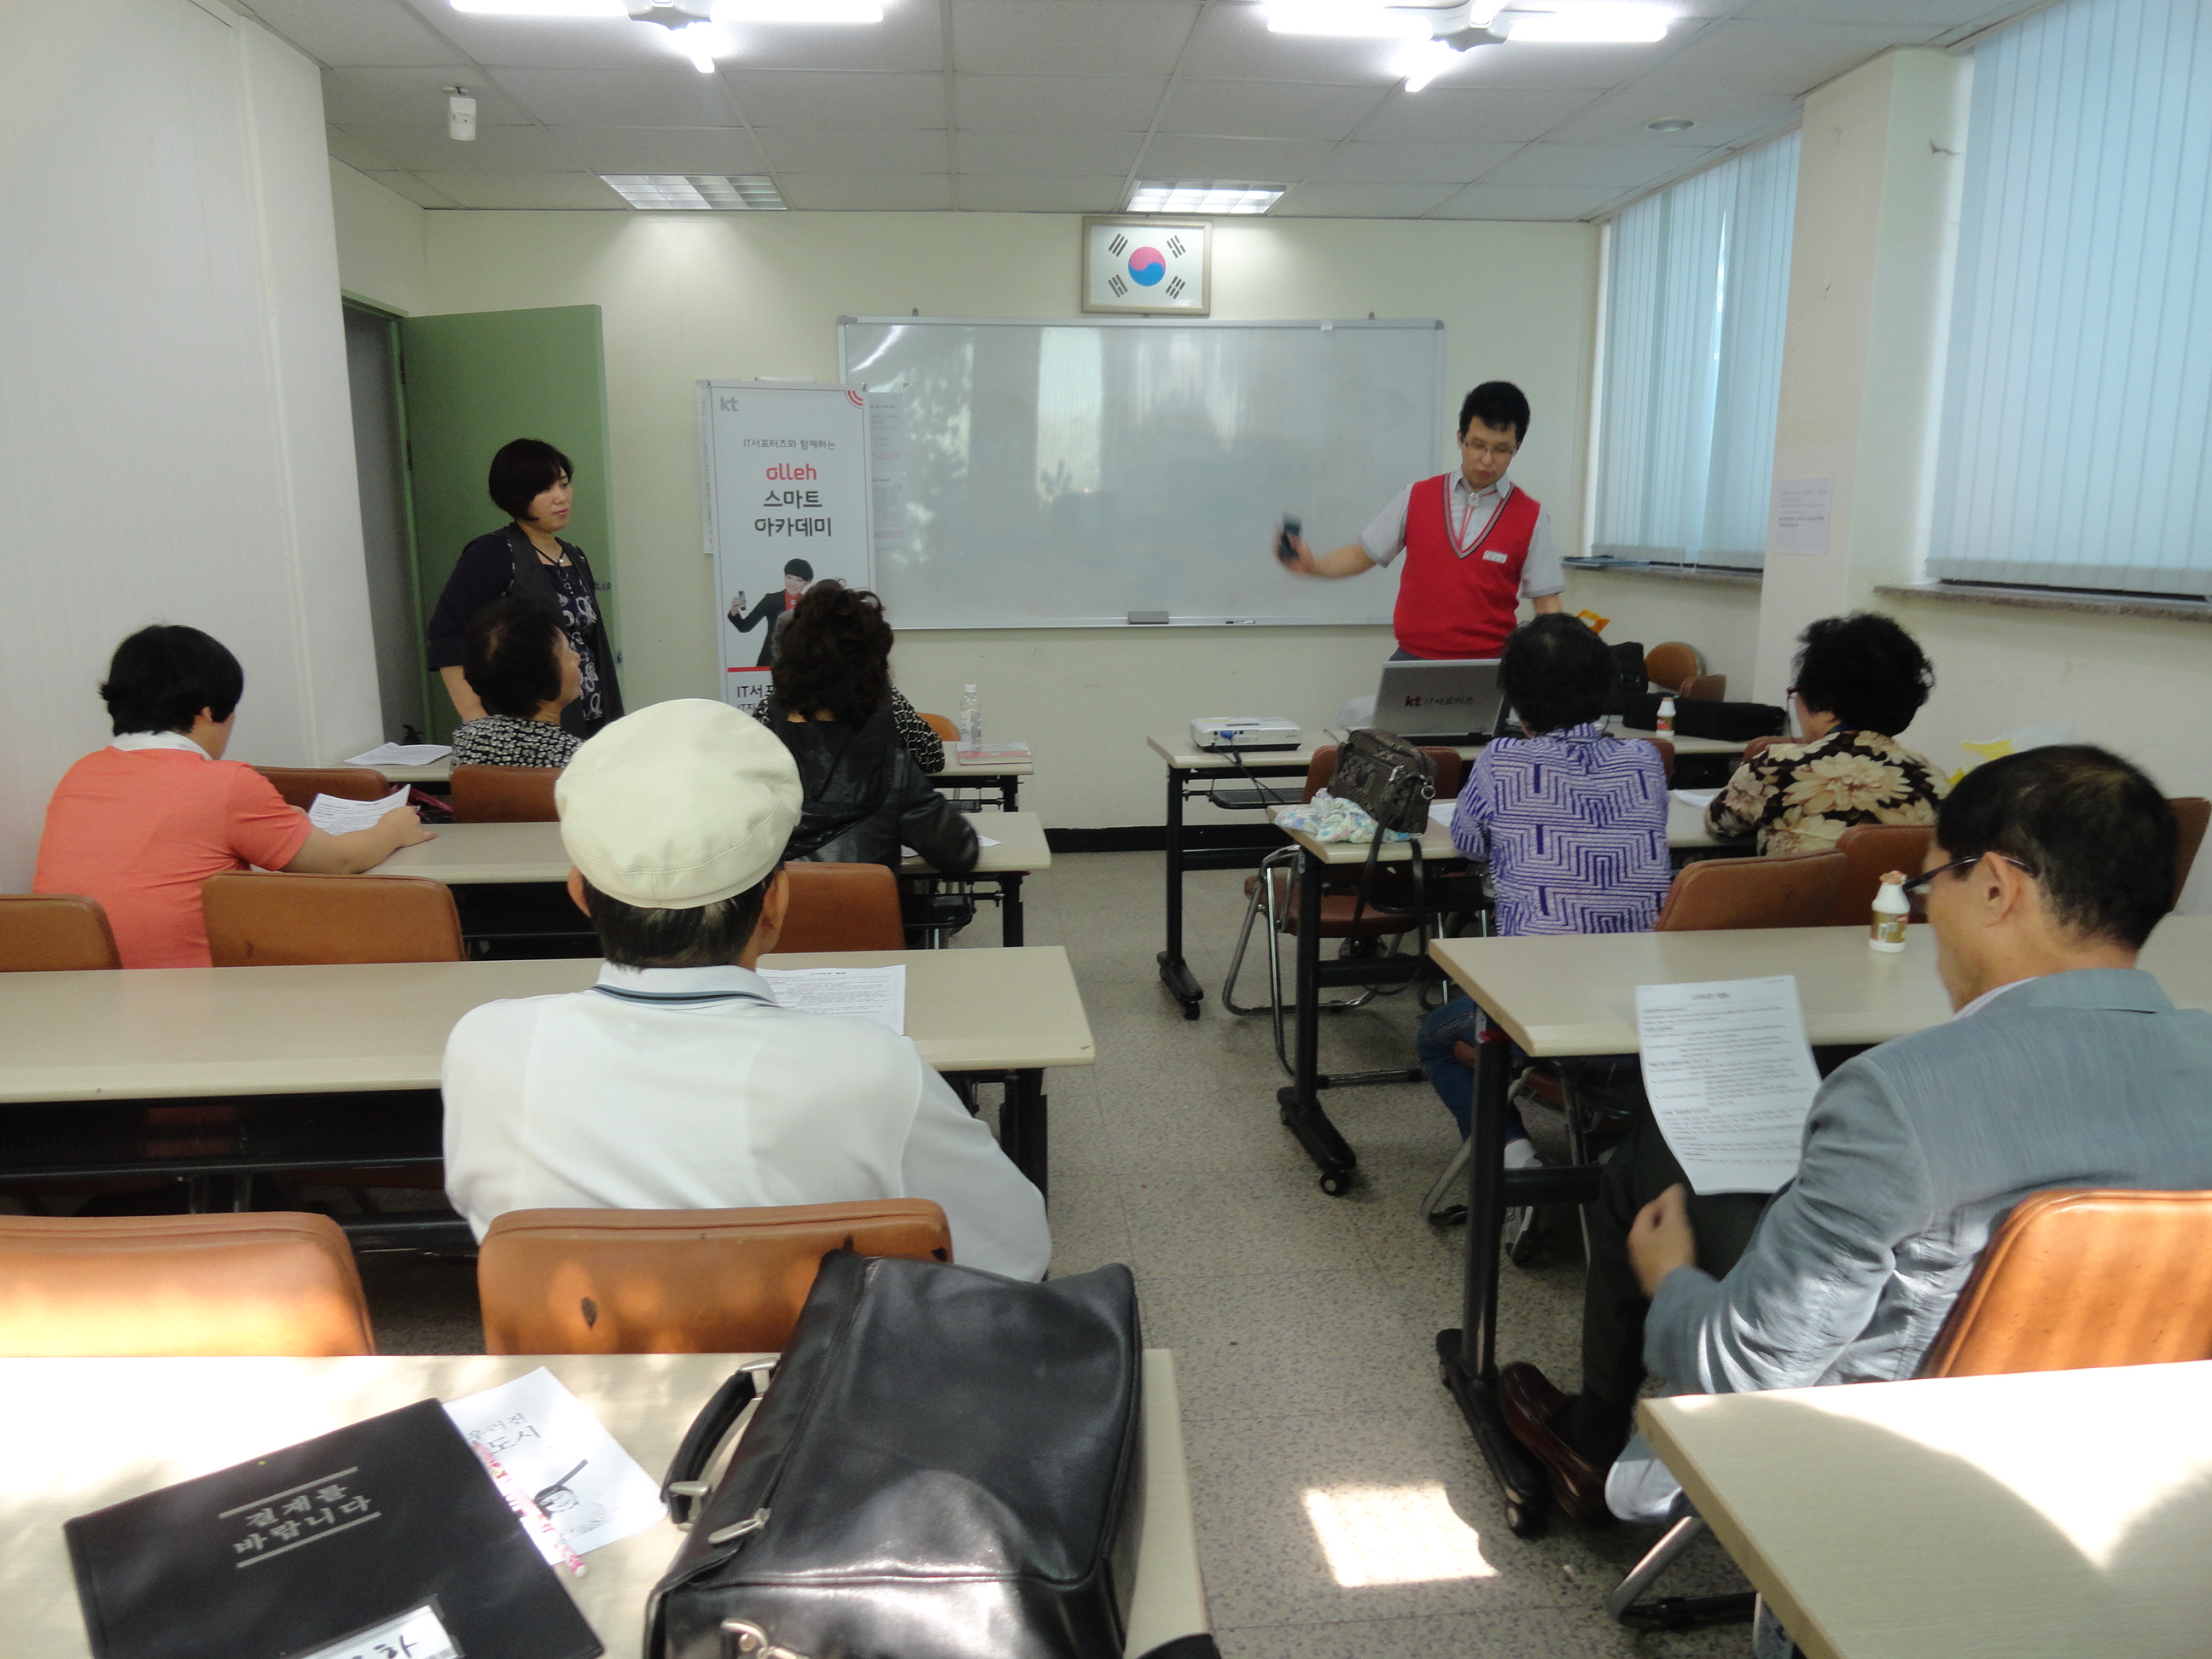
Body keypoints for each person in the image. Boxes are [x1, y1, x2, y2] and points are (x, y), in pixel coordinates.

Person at [1499, 745, 2212, 1527]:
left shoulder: (1898, 1093)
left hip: (1882, 1457)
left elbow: (1748, 1370)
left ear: (1996, 888)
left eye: (1930, 884)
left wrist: (1668, 1278)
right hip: (2129, 1455)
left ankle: (1596, 1440)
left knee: (1652, 1159)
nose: (1924, 914)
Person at [439, 698, 1049, 1278]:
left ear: (579, 893)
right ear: (776, 902)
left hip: (580, 1351)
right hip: (813, 1353)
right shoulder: (874, 1071)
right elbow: (1016, 1251)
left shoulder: (485, 1049)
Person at [1416, 614, 1671, 1168]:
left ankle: (1515, 1161)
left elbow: (1468, 843)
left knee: (1436, 1038)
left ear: (1515, 697)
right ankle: (1609, 1153)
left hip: (1541, 1003)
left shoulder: (1501, 760)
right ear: (1605, 688)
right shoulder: (1644, 759)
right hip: (1646, 1008)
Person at [34, 625, 435, 968]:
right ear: (208, 712)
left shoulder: (80, 774)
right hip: (198, 994)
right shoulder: (225, 783)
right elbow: (340, 861)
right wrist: (392, 829)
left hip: (81, 996)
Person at [1278, 381, 1563, 660]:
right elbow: (1361, 555)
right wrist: (1313, 565)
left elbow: (1547, 602)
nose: (1487, 460)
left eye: (1501, 449)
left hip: (1491, 666)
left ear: (1517, 448)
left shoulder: (1532, 516)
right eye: (1478, 445)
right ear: (1460, 438)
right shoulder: (1416, 496)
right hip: (1413, 659)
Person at [761, 585, 977, 874]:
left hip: (776, 904)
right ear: (873, 676)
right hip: (868, 904)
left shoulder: (751, 761)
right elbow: (961, 853)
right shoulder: (892, 771)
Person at [426, 438, 623, 741]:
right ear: (516, 497)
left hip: (589, 713)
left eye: (564, 484)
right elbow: (447, 634)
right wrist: (474, 715)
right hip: (524, 725)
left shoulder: (575, 555)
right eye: (544, 490)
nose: (561, 498)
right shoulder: (494, 552)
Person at [1706, 611, 1944, 854]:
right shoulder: (1934, 781)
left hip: (1800, 882)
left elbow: (1719, 824)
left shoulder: (1777, 766)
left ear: (1821, 700)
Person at [450, 597, 583, 769]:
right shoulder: (580, 757)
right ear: (541, 679)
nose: (577, 658)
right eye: (568, 653)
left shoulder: (465, 740)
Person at [727, 557, 814, 670]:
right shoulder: (771, 600)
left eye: (799, 580)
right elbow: (745, 626)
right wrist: (734, 611)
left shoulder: (810, 603)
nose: (792, 583)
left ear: (808, 582)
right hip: (770, 659)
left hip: (800, 661)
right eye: (789, 577)